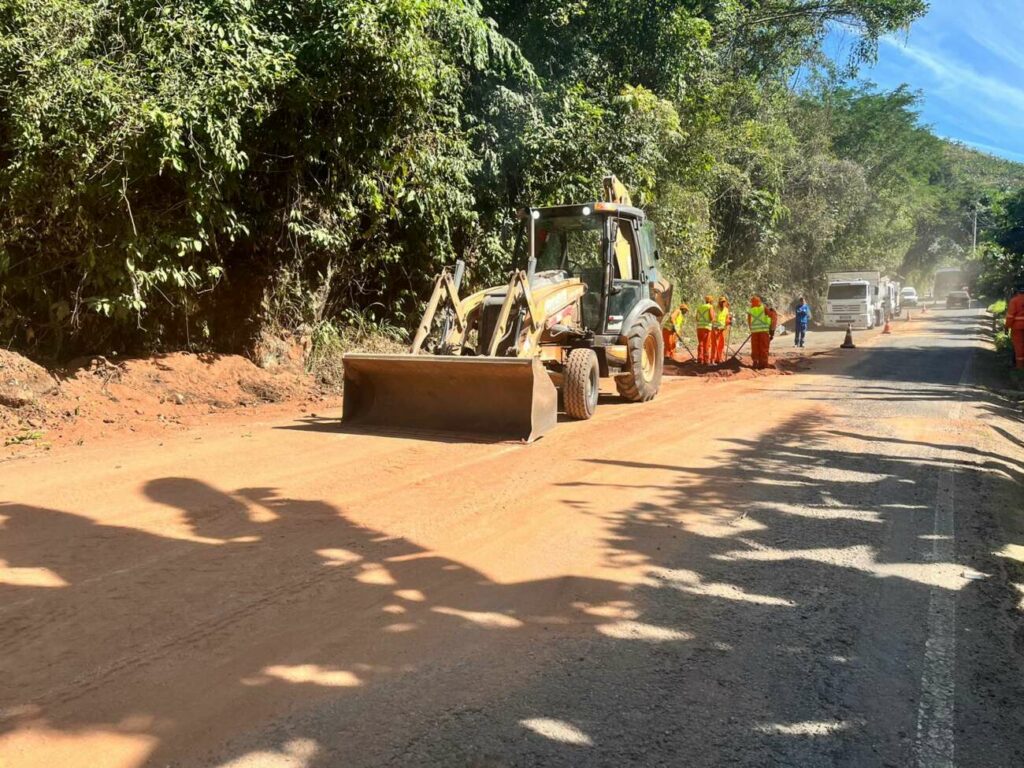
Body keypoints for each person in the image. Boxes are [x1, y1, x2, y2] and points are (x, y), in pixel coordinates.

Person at [747, 296, 772, 369]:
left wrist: (751, 328)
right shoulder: (764, 308)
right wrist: (769, 327)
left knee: (755, 347)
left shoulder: (750, 310)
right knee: (763, 347)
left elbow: (749, 320)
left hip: (755, 331)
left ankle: (755, 362)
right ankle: (763, 363)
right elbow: (770, 316)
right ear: (759, 301)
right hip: (763, 331)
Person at [1006, 282, 1024, 370]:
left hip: (1017, 327)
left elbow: (1010, 316)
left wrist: (1007, 326)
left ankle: (1020, 366)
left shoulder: (1014, 300)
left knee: (1019, 346)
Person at [695, 295, 715, 364]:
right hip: (707, 327)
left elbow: (697, 318)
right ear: (710, 301)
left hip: (699, 327)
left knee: (700, 343)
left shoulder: (699, 307)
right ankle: (706, 360)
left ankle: (700, 359)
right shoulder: (710, 307)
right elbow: (712, 317)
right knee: (706, 344)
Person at [711, 296, 731, 364]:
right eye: (721, 302)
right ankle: (712, 359)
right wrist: (715, 326)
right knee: (714, 344)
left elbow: (727, 319)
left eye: (724, 302)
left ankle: (719, 358)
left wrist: (729, 322)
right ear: (719, 302)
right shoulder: (715, 309)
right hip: (716, 329)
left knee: (721, 345)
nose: (723, 303)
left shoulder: (726, 309)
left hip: (723, 329)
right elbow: (712, 318)